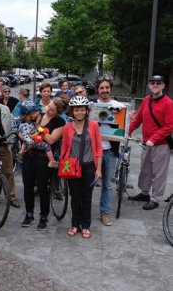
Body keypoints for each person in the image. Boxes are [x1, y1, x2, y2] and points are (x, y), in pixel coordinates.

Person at [127, 75, 173, 210]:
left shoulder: (168, 103)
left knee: (159, 173)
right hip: (147, 143)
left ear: (163, 85)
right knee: (146, 170)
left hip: (161, 144)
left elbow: (169, 126)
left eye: (158, 83)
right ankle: (145, 193)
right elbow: (139, 118)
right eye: (152, 83)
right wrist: (128, 131)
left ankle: (155, 199)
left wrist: (154, 138)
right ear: (149, 85)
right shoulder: (147, 100)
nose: (155, 85)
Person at [21, 97, 67, 230]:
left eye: (52, 109)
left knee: (42, 188)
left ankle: (43, 215)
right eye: (49, 106)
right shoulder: (38, 115)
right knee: (27, 186)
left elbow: (51, 140)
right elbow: (23, 127)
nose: (48, 109)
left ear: (57, 112)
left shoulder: (59, 122)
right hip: (29, 155)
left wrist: (38, 127)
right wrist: (24, 136)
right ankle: (29, 214)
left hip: (43, 158)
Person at [61, 96, 102, 239]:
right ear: (72, 111)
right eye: (77, 110)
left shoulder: (94, 125)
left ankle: (86, 226)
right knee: (75, 197)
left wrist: (98, 169)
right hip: (73, 167)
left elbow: (98, 147)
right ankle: (75, 224)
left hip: (89, 166)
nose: (79, 113)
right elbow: (64, 148)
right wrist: (63, 168)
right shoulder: (67, 127)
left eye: (82, 110)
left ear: (86, 111)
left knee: (87, 198)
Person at [94, 76, 125, 226]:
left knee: (107, 184)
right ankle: (83, 210)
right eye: (102, 88)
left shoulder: (119, 106)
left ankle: (104, 212)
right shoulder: (91, 106)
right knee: (87, 182)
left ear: (110, 89)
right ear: (97, 90)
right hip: (92, 151)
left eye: (107, 88)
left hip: (110, 152)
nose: (105, 90)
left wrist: (128, 119)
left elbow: (122, 128)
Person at [17, 100, 59, 168]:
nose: (36, 114)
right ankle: (52, 161)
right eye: (33, 113)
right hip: (32, 145)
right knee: (47, 146)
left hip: (33, 148)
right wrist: (31, 140)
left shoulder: (30, 121)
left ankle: (22, 151)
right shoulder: (25, 124)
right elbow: (23, 135)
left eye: (36, 112)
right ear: (27, 115)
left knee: (25, 142)